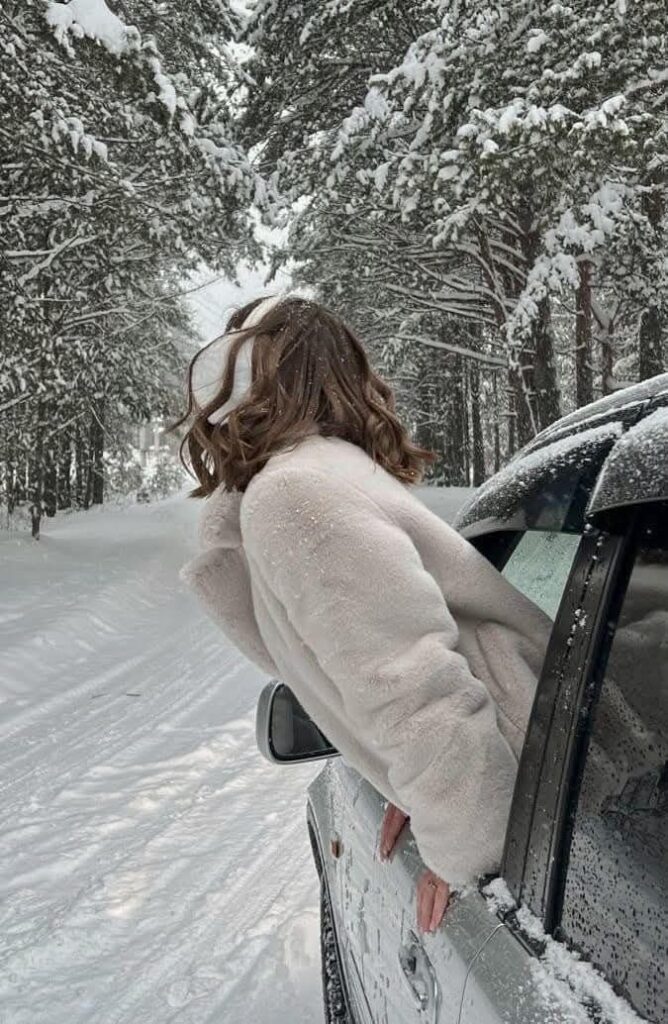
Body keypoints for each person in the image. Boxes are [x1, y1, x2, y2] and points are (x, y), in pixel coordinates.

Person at [176, 293, 552, 934]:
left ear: (248, 374)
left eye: (231, 353)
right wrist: (410, 783)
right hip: (538, 769)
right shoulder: (324, 478)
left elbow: (416, 691)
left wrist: (462, 837)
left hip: (529, 789)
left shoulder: (297, 495)